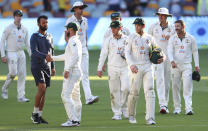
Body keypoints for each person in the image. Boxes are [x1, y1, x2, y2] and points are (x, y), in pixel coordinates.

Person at [126, 17, 164, 125]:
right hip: (136, 67)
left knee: (150, 91)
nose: (136, 27)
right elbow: (127, 53)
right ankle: (131, 115)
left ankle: (150, 118)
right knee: (134, 92)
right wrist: (131, 65)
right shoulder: (131, 37)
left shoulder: (150, 38)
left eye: (138, 25)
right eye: (135, 25)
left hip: (148, 66)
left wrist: (163, 57)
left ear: (143, 26)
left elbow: (157, 50)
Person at [65, 1, 99, 105]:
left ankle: (88, 98)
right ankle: (66, 94)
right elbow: (66, 36)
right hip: (74, 50)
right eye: (79, 8)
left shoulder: (85, 20)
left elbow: (85, 34)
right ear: (74, 9)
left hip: (84, 50)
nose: (81, 10)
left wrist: (86, 46)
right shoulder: (70, 20)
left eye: (82, 8)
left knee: (85, 74)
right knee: (72, 72)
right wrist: (71, 45)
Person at [97, 21, 130, 120]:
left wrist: (128, 56)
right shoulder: (108, 40)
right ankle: (117, 113)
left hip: (125, 68)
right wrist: (99, 68)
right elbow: (103, 54)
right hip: (112, 67)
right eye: (112, 28)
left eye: (115, 28)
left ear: (120, 28)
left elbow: (133, 53)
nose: (113, 30)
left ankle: (125, 108)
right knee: (114, 91)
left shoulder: (127, 39)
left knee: (126, 89)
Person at [52, 22, 82, 127]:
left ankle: (73, 120)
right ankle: (76, 119)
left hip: (72, 71)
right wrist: (52, 58)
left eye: (67, 29)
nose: (66, 31)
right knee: (76, 97)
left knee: (65, 95)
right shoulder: (75, 40)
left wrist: (68, 69)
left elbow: (75, 56)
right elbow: (67, 56)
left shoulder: (72, 41)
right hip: (77, 71)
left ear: (71, 30)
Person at [168, 20, 200, 115]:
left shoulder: (191, 38)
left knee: (187, 87)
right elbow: (169, 50)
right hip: (175, 66)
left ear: (183, 27)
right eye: (175, 26)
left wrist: (197, 65)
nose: (176, 28)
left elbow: (195, 51)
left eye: (178, 26)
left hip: (187, 65)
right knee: (175, 87)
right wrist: (172, 61)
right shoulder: (172, 38)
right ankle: (177, 108)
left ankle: (188, 108)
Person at [148, 7, 175, 114]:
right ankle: (162, 104)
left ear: (167, 16)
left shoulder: (173, 28)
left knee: (167, 81)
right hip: (157, 57)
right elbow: (147, 40)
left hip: (169, 57)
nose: (161, 17)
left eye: (163, 15)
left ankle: (165, 104)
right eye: (159, 15)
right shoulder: (153, 27)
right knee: (160, 80)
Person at [0, 9, 31, 102]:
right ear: (14, 17)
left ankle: (21, 96)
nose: (19, 17)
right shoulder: (8, 28)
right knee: (13, 73)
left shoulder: (25, 29)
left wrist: (31, 55)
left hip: (21, 53)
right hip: (11, 52)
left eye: (20, 16)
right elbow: (2, 42)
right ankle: (4, 89)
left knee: (22, 74)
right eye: (17, 16)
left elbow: (27, 44)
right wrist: (2, 55)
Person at [30, 15, 55, 124]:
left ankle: (39, 116)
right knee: (42, 88)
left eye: (46, 22)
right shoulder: (34, 36)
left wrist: (53, 67)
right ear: (38, 24)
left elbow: (51, 53)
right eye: (43, 23)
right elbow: (34, 51)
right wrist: (45, 56)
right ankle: (34, 114)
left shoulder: (50, 36)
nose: (45, 24)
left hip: (46, 67)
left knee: (44, 92)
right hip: (37, 65)